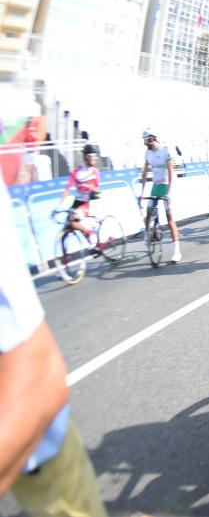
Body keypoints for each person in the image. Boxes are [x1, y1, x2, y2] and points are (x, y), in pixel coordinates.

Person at [0, 176, 109, 517]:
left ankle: (94, 237)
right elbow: (68, 192)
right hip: (78, 200)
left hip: (88, 200)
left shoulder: (91, 175)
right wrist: (63, 204)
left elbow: (39, 378)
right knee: (69, 216)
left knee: (77, 217)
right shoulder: (80, 174)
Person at [139, 130, 182, 263]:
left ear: (152, 139)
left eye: (145, 140)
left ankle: (177, 251)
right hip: (156, 186)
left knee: (170, 220)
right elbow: (145, 173)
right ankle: (147, 236)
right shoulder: (147, 153)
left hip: (166, 186)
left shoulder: (165, 151)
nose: (144, 142)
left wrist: (168, 193)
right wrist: (141, 193)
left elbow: (170, 173)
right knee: (148, 214)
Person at [56, 144, 101, 241]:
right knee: (68, 223)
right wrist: (58, 207)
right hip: (76, 203)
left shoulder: (95, 172)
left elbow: (97, 191)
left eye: (95, 156)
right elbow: (67, 189)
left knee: (73, 222)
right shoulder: (77, 171)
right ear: (86, 157)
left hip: (86, 203)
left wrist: (94, 196)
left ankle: (90, 234)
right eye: (92, 156)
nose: (95, 158)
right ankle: (88, 238)